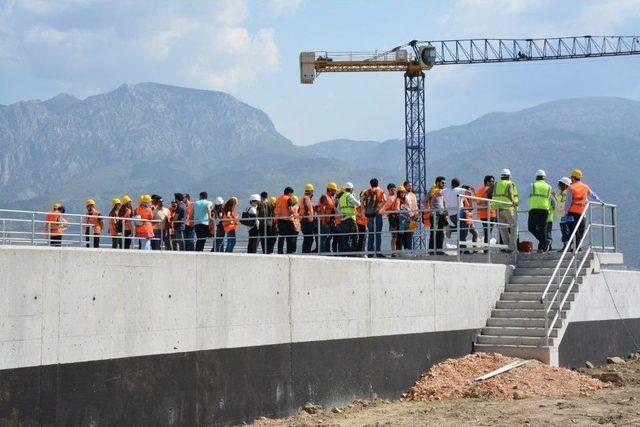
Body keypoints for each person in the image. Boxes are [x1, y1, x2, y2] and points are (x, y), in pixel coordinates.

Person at [564, 169, 604, 251]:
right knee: (580, 230)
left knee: (573, 230)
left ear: (573, 178)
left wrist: (566, 212)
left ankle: (577, 247)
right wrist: (600, 201)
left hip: (572, 212)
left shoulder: (571, 188)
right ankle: (578, 247)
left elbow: (568, 202)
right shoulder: (585, 187)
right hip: (582, 212)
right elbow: (593, 195)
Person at [489, 169, 519, 253]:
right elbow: (510, 193)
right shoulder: (510, 183)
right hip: (508, 208)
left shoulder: (496, 184)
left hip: (498, 209)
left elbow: (488, 193)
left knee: (503, 229)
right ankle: (512, 248)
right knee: (514, 228)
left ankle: (506, 247)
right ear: (509, 176)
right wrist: (513, 202)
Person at [527, 170, 553, 252]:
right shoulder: (549, 187)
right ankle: (544, 244)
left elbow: (529, 196)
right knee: (542, 229)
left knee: (531, 228)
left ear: (536, 177)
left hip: (534, 209)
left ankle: (544, 243)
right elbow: (549, 198)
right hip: (544, 210)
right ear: (544, 177)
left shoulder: (532, 185)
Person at [362, 178, 387, 257]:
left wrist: (365, 209)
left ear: (370, 184)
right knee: (378, 233)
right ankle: (378, 251)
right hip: (377, 214)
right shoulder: (380, 191)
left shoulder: (366, 192)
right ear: (377, 183)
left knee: (371, 233)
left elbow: (361, 201)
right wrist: (378, 209)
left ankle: (370, 252)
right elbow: (385, 200)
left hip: (369, 215)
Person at [426, 177, 447, 255]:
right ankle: (431, 250)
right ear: (437, 182)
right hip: (435, 214)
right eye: (442, 183)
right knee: (434, 232)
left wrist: (445, 211)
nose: (444, 184)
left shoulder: (441, 191)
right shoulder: (433, 190)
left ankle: (439, 250)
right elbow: (425, 200)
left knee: (440, 232)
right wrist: (430, 210)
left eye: (444, 183)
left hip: (441, 214)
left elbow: (444, 201)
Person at [476, 175, 496, 253]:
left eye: (493, 181)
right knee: (488, 231)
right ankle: (486, 249)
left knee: (486, 230)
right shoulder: (489, 190)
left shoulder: (479, 190)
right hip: (490, 213)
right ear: (487, 181)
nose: (492, 182)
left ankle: (486, 248)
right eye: (491, 181)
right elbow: (491, 200)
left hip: (481, 214)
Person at [338, 182, 360, 253]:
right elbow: (357, 204)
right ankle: (353, 251)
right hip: (350, 218)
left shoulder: (341, 197)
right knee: (355, 235)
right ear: (351, 189)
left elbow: (339, 209)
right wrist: (360, 199)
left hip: (343, 219)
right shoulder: (349, 195)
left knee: (345, 237)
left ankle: (346, 252)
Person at [316, 182, 338, 253]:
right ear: (330, 190)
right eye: (334, 190)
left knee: (328, 238)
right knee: (324, 238)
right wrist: (323, 221)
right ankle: (323, 253)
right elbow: (323, 208)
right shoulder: (325, 197)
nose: (335, 192)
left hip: (329, 222)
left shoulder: (330, 198)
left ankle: (327, 252)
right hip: (325, 222)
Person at [275, 187, 297, 254]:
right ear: (289, 193)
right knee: (290, 236)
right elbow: (290, 210)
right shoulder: (288, 199)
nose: (292, 195)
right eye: (291, 194)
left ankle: (280, 251)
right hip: (287, 220)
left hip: (279, 220)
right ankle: (289, 251)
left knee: (281, 237)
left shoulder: (278, 199)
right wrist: (294, 210)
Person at [460, 185, 479, 253]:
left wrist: (474, 192)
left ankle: (474, 248)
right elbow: (470, 207)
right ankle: (464, 250)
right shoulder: (462, 198)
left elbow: (477, 200)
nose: (469, 192)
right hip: (466, 218)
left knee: (475, 233)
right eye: (468, 190)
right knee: (464, 234)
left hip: (469, 219)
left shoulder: (468, 197)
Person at [393, 186, 413, 251]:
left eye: (404, 192)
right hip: (400, 220)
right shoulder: (398, 200)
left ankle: (406, 250)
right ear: (399, 193)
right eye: (401, 192)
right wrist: (405, 213)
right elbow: (397, 209)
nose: (403, 194)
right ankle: (399, 250)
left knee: (405, 235)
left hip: (405, 220)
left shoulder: (404, 200)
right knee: (400, 235)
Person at [555, 177, 571, 251]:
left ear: (564, 185)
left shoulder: (565, 193)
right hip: (562, 216)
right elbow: (559, 202)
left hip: (564, 216)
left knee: (565, 231)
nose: (558, 185)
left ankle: (567, 246)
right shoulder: (563, 193)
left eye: (560, 184)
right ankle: (566, 246)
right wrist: (555, 196)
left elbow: (564, 204)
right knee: (565, 231)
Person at [299, 184, 316, 253]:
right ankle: (306, 252)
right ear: (311, 191)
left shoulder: (305, 198)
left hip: (305, 220)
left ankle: (306, 251)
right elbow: (306, 206)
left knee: (308, 238)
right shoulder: (306, 198)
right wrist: (307, 216)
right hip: (306, 221)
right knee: (309, 238)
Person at [403, 181, 419, 248]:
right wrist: (409, 215)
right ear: (405, 186)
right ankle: (406, 249)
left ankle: (409, 249)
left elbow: (415, 204)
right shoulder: (403, 195)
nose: (410, 187)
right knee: (406, 234)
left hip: (414, 217)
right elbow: (404, 206)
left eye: (411, 185)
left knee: (411, 234)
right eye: (409, 185)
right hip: (407, 216)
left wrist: (417, 214)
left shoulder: (413, 194)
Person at [382, 183, 397, 252]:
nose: (393, 190)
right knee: (394, 235)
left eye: (394, 189)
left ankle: (397, 250)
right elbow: (386, 209)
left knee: (398, 236)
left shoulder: (396, 197)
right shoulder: (388, 198)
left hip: (397, 217)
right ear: (389, 190)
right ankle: (393, 251)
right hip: (392, 218)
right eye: (392, 189)